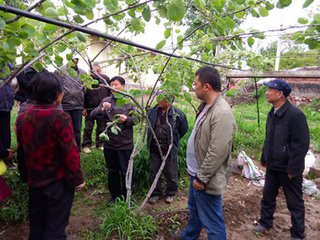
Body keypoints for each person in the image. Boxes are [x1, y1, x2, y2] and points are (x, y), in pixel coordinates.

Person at [16, 71, 85, 240]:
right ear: (57, 94)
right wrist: (77, 179)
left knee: (37, 226)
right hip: (57, 183)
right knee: (56, 228)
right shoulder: (60, 116)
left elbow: (21, 151)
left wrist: (25, 176)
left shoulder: (23, 117)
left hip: (35, 181)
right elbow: (70, 152)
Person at [178, 66, 236, 240]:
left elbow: (218, 150)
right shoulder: (207, 106)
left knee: (212, 220)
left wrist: (202, 177)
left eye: (195, 83)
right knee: (194, 209)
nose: (193, 86)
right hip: (196, 172)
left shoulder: (222, 112)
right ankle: (189, 236)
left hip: (205, 177)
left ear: (206, 86)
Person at [253, 79, 309, 240]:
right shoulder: (273, 113)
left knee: (294, 202)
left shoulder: (296, 115)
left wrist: (294, 169)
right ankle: (265, 222)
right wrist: (264, 157)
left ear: (280, 94)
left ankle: (298, 234)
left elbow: (301, 144)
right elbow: (269, 138)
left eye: (270, 90)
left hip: (288, 168)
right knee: (268, 196)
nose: (266, 92)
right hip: (273, 165)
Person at [91, 76, 136, 205]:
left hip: (125, 144)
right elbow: (92, 115)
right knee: (112, 171)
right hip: (110, 144)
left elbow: (138, 119)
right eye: (111, 85)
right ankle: (114, 195)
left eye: (116, 84)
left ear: (123, 86)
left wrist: (126, 119)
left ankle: (127, 195)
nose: (113, 87)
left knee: (125, 171)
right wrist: (102, 109)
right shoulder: (106, 101)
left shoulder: (129, 101)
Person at [147, 92, 188, 204]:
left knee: (171, 173)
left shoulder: (178, 114)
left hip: (169, 149)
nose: (158, 100)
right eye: (157, 97)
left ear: (169, 101)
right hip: (155, 148)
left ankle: (171, 193)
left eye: (161, 99)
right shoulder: (151, 112)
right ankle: (155, 193)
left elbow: (183, 130)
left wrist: (173, 141)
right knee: (154, 172)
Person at [55, 58, 86, 151]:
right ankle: (62, 149)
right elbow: (56, 86)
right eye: (72, 59)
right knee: (63, 128)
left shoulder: (83, 72)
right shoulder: (60, 71)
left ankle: (76, 149)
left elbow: (86, 87)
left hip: (77, 105)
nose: (74, 61)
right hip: (64, 105)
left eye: (76, 59)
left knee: (77, 129)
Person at [82, 63, 110, 153]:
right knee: (88, 128)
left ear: (101, 71)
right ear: (90, 72)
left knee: (102, 127)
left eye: (98, 71)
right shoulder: (86, 80)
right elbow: (82, 95)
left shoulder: (105, 79)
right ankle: (86, 145)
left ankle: (99, 144)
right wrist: (83, 108)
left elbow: (110, 92)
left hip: (102, 109)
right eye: (94, 71)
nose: (96, 73)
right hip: (89, 109)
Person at [0, 79, 15, 168]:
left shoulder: (5, 67)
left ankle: (7, 159)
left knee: (6, 133)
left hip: (5, 106)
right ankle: (3, 154)